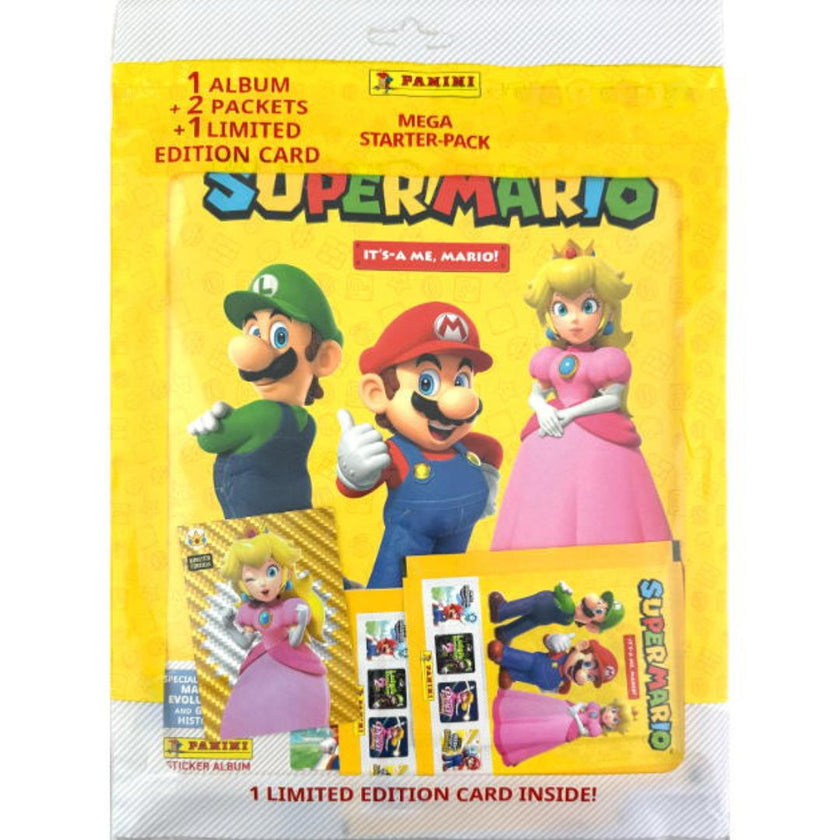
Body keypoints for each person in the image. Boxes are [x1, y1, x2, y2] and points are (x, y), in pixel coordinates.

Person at [491, 242, 671, 551]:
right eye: (562, 309)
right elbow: (536, 393)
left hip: (598, 436)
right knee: (543, 506)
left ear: (606, 310)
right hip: (549, 432)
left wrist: (571, 413)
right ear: (549, 314)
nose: (575, 320)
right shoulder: (548, 359)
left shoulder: (608, 359)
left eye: (587, 307)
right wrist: (543, 409)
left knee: (603, 501)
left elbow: (612, 399)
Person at [336, 302, 502, 588]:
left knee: (446, 586)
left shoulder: (467, 446)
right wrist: (352, 472)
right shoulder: (395, 453)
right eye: (427, 382)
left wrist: (489, 485)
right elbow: (353, 488)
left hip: (458, 539)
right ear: (377, 393)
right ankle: (381, 606)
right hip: (409, 541)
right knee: (393, 586)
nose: (458, 403)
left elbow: (492, 450)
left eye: (462, 380)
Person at [188, 264, 343, 518]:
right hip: (294, 518)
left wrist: (214, 426)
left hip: (252, 527)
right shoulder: (306, 423)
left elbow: (211, 441)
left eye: (279, 335)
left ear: (324, 358)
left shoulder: (264, 414)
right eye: (253, 332)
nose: (251, 349)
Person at [218, 530, 329, 737]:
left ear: (284, 572)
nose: (263, 583)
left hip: (293, 658)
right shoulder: (250, 613)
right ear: (242, 584)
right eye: (251, 578)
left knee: (296, 704)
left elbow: (294, 641)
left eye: (270, 572)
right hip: (261, 661)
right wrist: (229, 627)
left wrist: (301, 622)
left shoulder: (288, 608)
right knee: (252, 704)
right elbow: (245, 642)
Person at [493, 691, 624, 766]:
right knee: (539, 709)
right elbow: (583, 704)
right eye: (613, 711)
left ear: (612, 727)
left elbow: (582, 731)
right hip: (567, 710)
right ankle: (507, 714)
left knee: (539, 730)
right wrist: (576, 708)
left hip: (567, 729)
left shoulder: (597, 730)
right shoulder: (595, 707)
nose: (610, 716)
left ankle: (507, 735)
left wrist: (576, 718)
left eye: (615, 720)